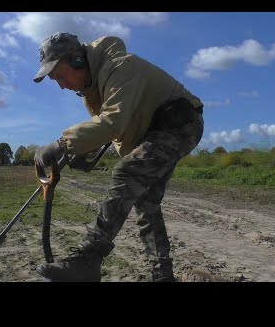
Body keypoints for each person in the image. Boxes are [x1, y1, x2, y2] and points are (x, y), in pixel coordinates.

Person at [33, 32, 204, 282]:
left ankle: (89, 259)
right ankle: (163, 277)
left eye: (61, 75)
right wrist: (83, 150)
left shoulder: (120, 67)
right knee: (146, 206)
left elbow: (112, 122)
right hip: (153, 132)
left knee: (128, 172)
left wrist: (62, 144)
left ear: (78, 60)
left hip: (180, 123)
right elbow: (111, 128)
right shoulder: (93, 89)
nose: (61, 85)